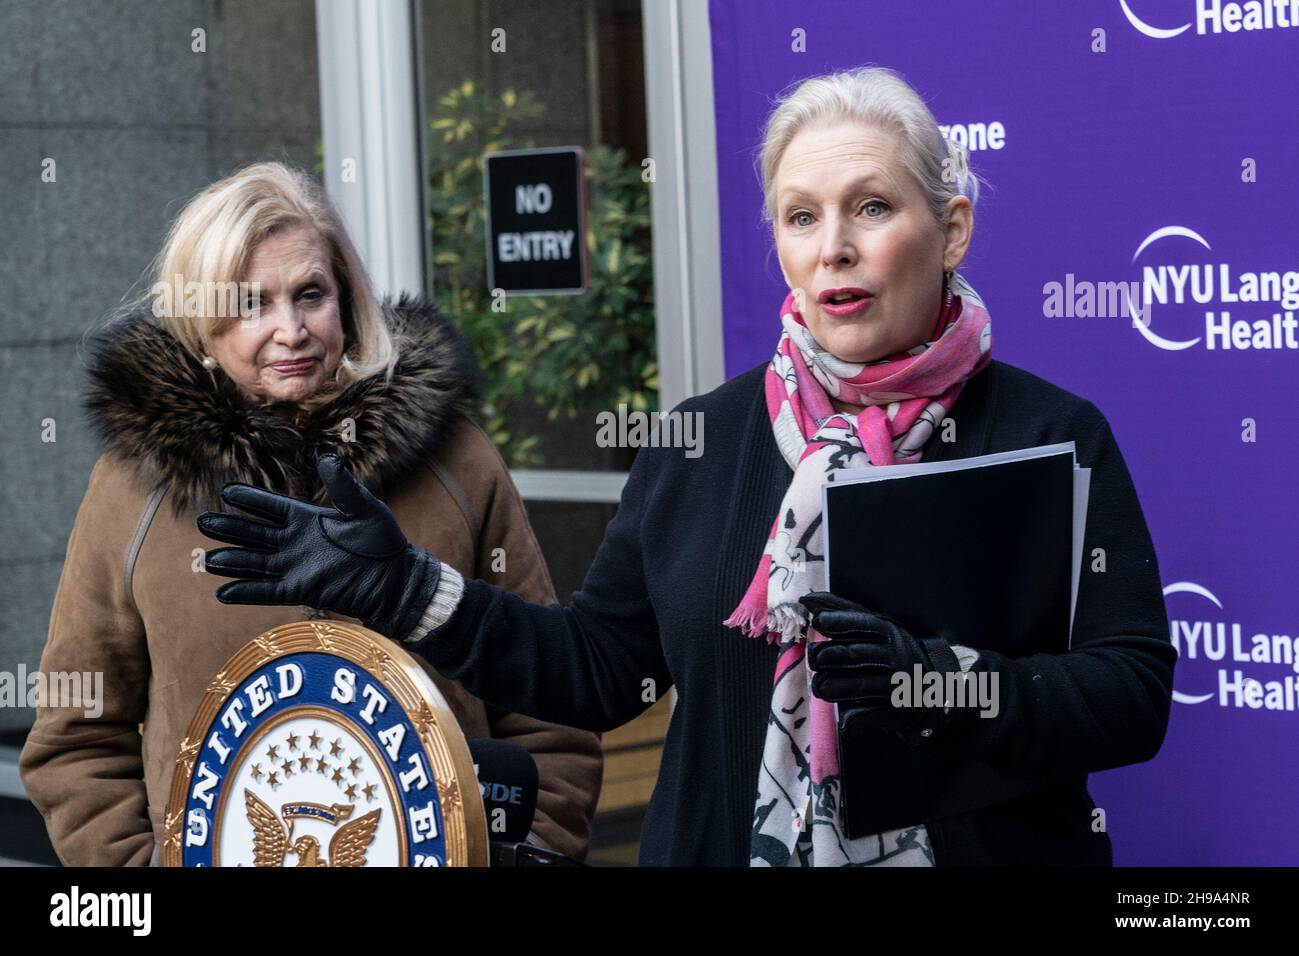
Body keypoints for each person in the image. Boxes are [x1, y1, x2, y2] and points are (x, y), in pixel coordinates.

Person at [197, 69, 1176, 866]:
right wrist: (408, 588)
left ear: (951, 228)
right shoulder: (701, 439)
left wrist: (943, 681)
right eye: (800, 217)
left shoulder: (1051, 432)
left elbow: (1129, 698)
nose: (833, 246)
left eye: (870, 207)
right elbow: (598, 671)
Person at [19, 161, 603, 866]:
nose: (290, 330)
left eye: (310, 295)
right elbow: (76, 736)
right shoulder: (132, 491)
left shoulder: (456, 461)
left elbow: (549, 700)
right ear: (201, 322)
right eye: (251, 304)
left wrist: (528, 849)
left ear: (347, 301)